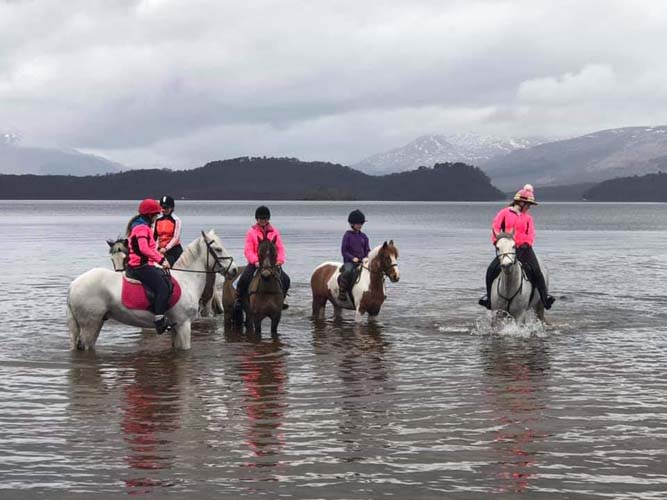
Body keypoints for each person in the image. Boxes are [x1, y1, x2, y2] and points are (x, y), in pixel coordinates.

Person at [479, 184, 555, 310]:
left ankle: (544, 299)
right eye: (528, 204)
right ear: (521, 202)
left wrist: (525, 243)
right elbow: (495, 228)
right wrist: (498, 242)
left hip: (524, 249)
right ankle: (489, 299)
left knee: (537, 271)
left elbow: (530, 234)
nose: (529, 207)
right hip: (506, 249)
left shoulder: (528, 218)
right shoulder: (504, 213)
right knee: (491, 270)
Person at [126, 198, 175, 334]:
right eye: (155, 215)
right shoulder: (141, 228)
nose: (156, 218)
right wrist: (160, 261)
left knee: (165, 278)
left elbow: (151, 249)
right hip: (140, 266)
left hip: (142, 264)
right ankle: (159, 320)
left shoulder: (141, 225)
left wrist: (162, 258)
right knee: (163, 288)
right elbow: (144, 249)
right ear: (149, 215)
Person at [235, 206, 291, 309]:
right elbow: (248, 250)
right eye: (260, 218)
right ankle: (238, 299)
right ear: (257, 219)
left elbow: (280, 248)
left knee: (286, 279)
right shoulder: (251, 232)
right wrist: (255, 261)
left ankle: (282, 299)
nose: (263, 221)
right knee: (243, 279)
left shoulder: (274, 232)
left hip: (272, 264)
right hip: (256, 263)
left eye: (265, 218)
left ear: (268, 219)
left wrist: (280, 260)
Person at [338, 209, 370, 301]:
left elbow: (367, 249)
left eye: (361, 224)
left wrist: (367, 257)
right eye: (357, 224)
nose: (360, 225)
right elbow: (344, 251)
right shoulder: (347, 235)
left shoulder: (364, 236)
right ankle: (342, 293)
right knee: (347, 272)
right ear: (352, 224)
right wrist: (353, 258)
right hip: (350, 262)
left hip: (362, 262)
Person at [154, 195, 183, 266]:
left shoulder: (176, 220)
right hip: (160, 250)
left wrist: (166, 248)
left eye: (166, 207)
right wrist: (155, 249)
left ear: (171, 208)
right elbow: (155, 237)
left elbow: (176, 237)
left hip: (174, 251)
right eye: (162, 207)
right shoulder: (157, 220)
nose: (164, 210)